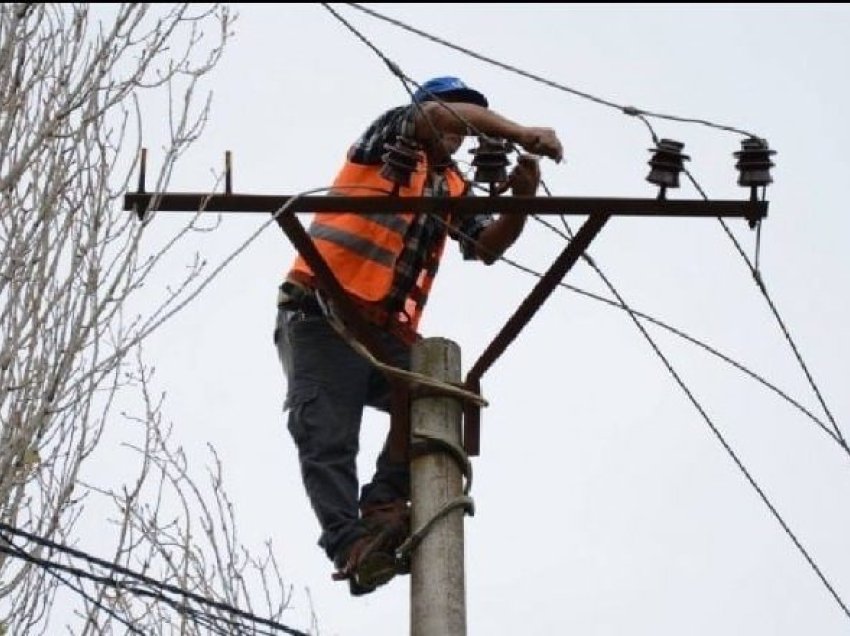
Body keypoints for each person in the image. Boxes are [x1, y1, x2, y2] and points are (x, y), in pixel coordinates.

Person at [274, 76, 563, 595]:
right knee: (327, 433)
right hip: (322, 311)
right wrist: (521, 132)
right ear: (431, 111)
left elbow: (486, 246)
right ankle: (352, 546)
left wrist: (520, 199)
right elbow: (439, 118)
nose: (462, 132)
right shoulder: (389, 138)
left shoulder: (452, 185)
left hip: (382, 332)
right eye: (459, 117)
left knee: (437, 405)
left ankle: (385, 506)